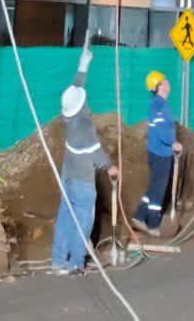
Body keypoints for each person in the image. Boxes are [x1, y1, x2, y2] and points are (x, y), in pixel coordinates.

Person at [50, 37, 119, 275]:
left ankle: (58, 261)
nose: (86, 100)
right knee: (82, 219)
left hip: (67, 174)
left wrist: (83, 64)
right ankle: (76, 263)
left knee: (65, 215)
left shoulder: (68, 116)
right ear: (81, 107)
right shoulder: (84, 128)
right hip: (81, 178)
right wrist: (110, 167)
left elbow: (76, 87)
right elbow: (96, 154)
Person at [131, 71, 182, 236]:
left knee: (154, 187)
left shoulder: (157, 103)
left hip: (158, 151)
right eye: (164, 81)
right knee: (159, 190)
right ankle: (153, 224)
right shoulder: (159, 105)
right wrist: (173, 143)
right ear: (159, 86)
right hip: (161, 153)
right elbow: (161, 129)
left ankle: (139, 216)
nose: (168, 82)